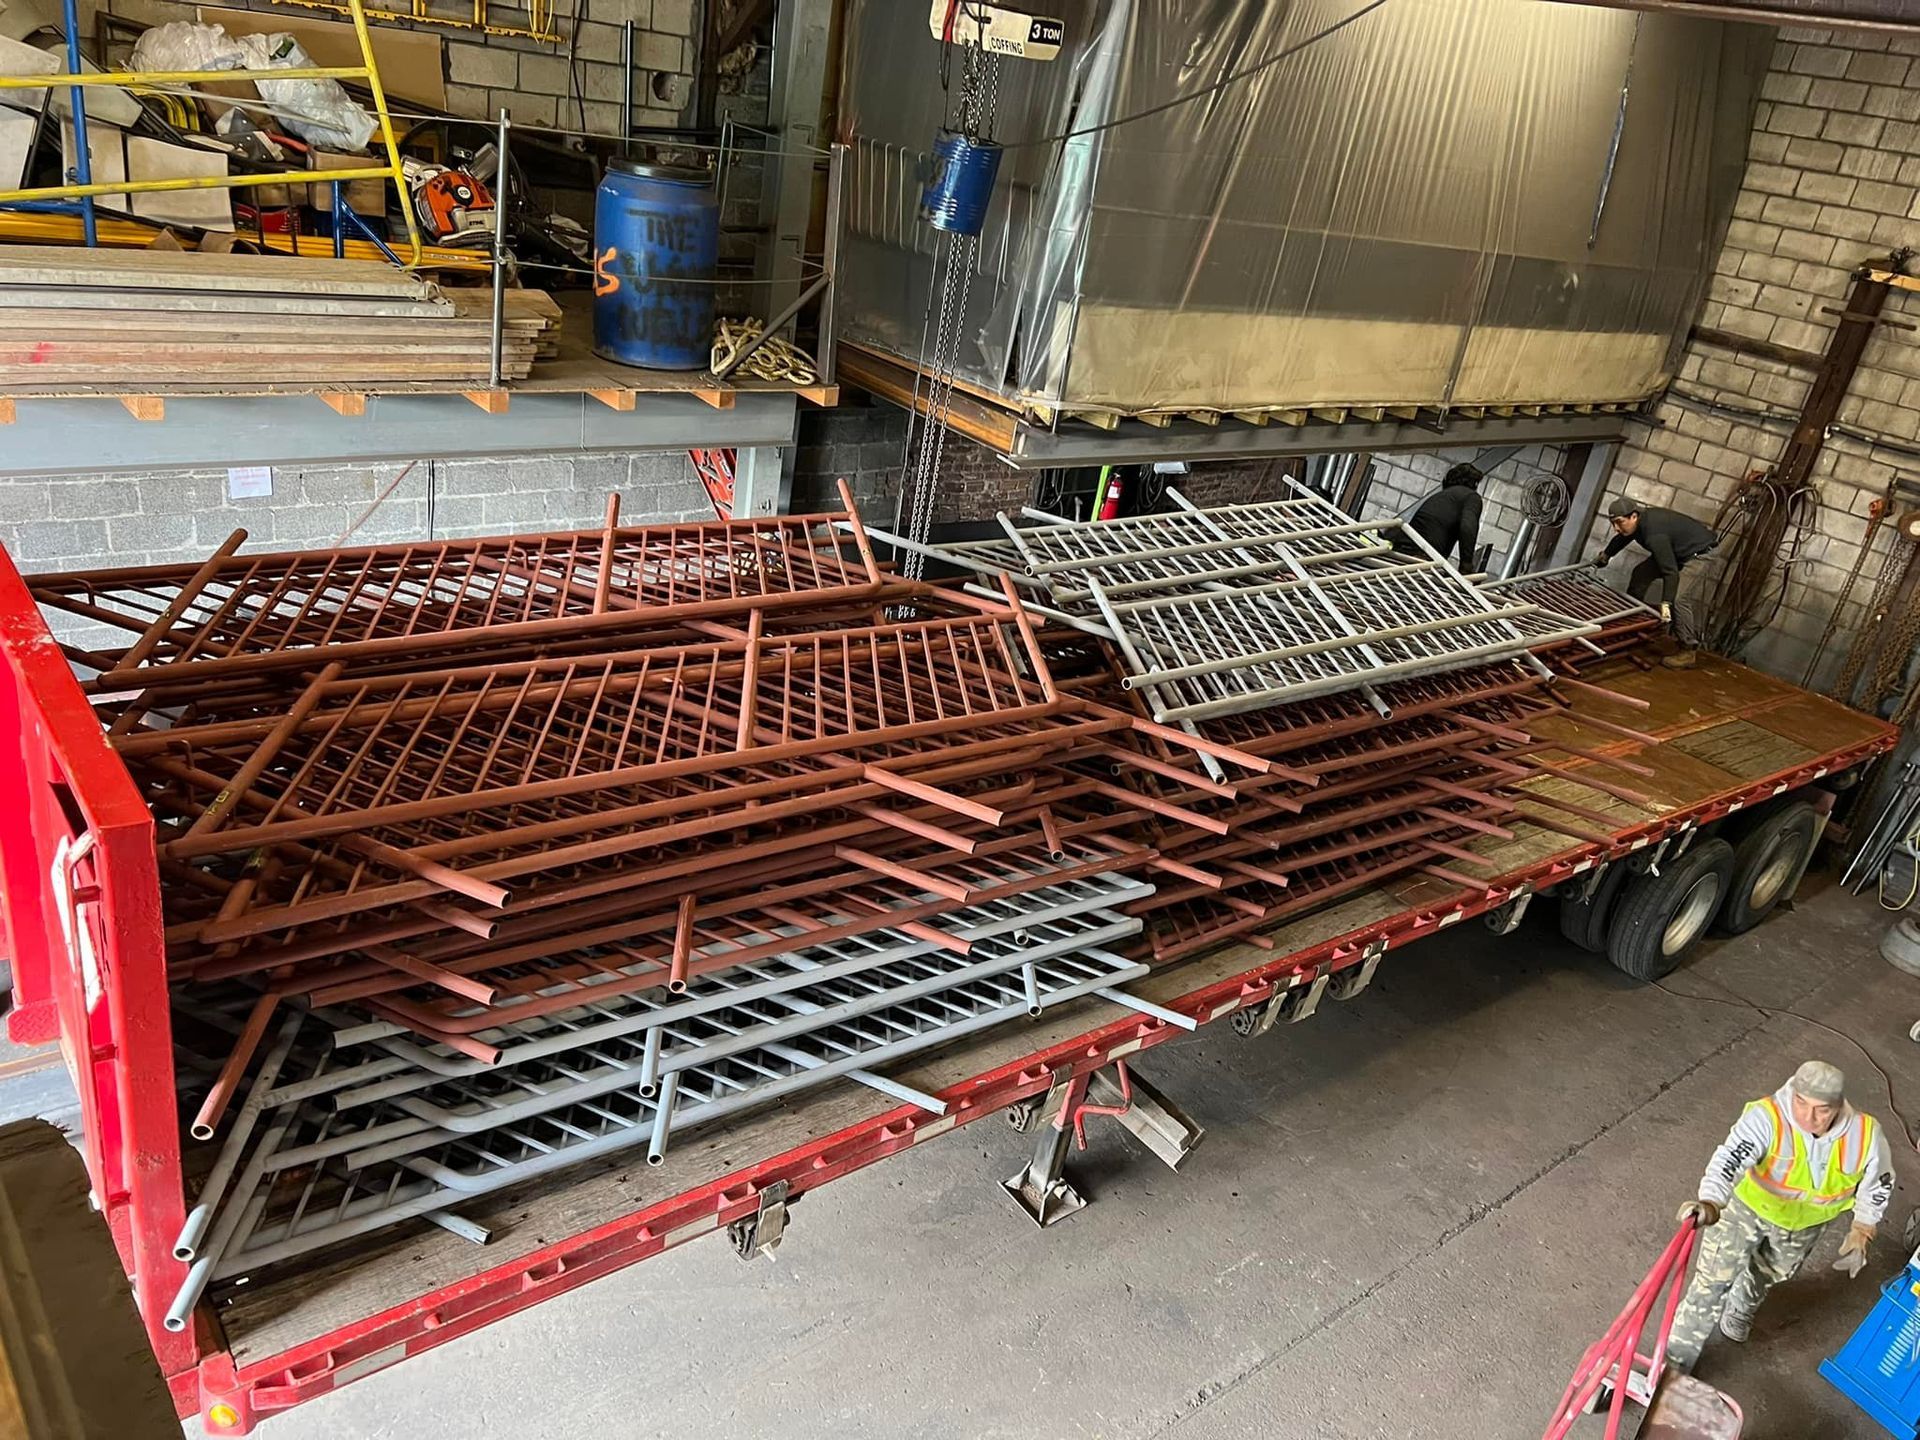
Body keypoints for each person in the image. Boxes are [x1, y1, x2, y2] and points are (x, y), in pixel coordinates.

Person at [1666, 1060, 1893, 1372]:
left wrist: (1864, 1227)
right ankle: (1675, 1364)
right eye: (1801, 1103)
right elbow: (1730, 1159)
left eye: (1821, 1110)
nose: (1808, 1117)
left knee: (1769, 1273)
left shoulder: (1865, 1135)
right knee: (1711, 1282)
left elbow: (1878, 1182)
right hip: (1746, 1211)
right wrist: (1711, 1201)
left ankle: (1741, 1307)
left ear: (1838, 1106)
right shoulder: (1767, 1117)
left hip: (1801, 1227)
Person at [1398, 462, 1484, 566]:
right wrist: (1466, 565)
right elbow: (1468, 527)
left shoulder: (1442, 496)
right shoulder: (1471, 497)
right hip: (1422, 556)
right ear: (1474, 484)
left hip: (1403, 551)